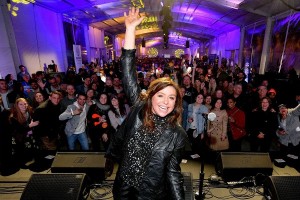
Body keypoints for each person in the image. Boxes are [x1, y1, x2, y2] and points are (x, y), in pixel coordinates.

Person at [105, 7, 188, 200]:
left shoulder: (177, 135)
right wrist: (131, 29)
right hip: (123, 186)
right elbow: (127, 70)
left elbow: (173, 173)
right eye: (161, 96)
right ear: (151, 97)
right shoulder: (139, 107)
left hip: (150, 193)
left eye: (171, 98)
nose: (165, 102)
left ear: (176, 103)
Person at [9, 98, 39, 168]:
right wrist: (30, 125)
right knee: (21, 151)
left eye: (25, 104)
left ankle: (29, 159)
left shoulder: (30, 111)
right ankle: (21, 163)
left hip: (29, 134)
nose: (24, 106)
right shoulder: (13, 116)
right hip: (19, 136)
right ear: (17, 105)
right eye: (21, 104)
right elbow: (19, 130)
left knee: (30, 148)